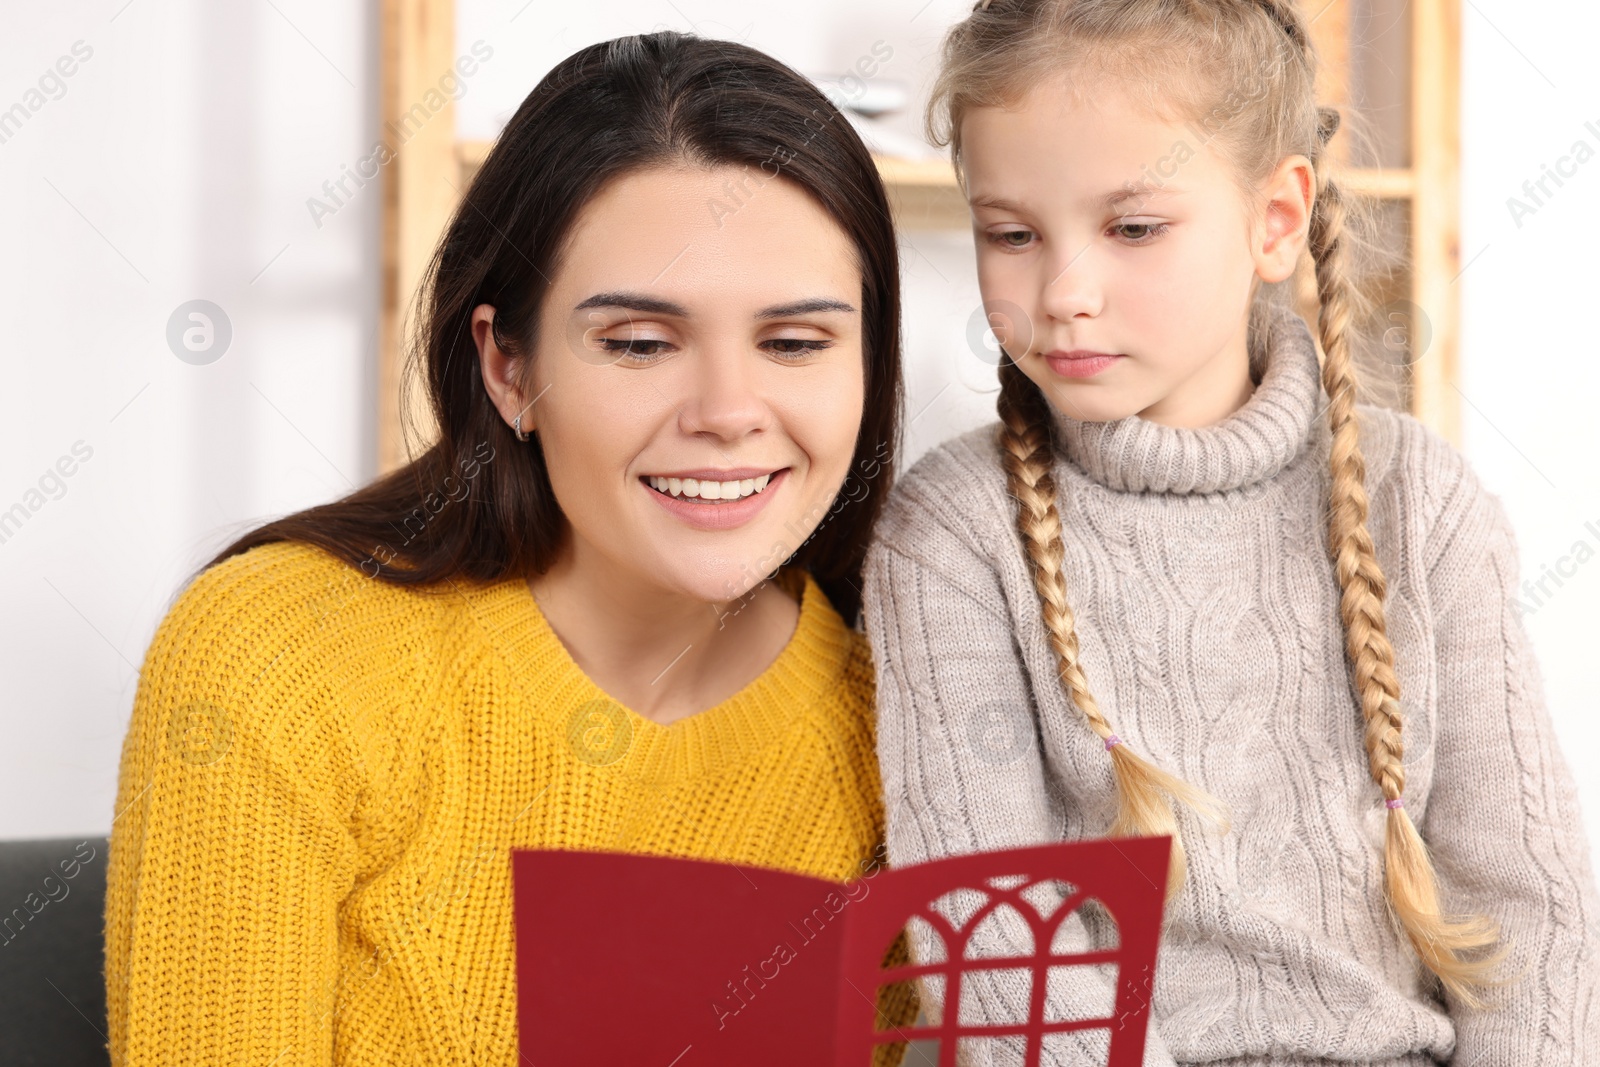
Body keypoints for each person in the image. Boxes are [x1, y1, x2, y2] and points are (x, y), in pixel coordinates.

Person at [105, 31, 919, 1066]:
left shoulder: (907, 722)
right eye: (638, 342)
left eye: (796, 342)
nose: (726, 412)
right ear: (506, 366)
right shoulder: (281, 659)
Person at [862, 1, 1600, 1064]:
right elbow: (997, 944)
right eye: (1011, 232)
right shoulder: (950, 534)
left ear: (1274, 219)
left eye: (1132, 228)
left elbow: (1531, 910)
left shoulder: (1423, 503)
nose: (1064, 292)